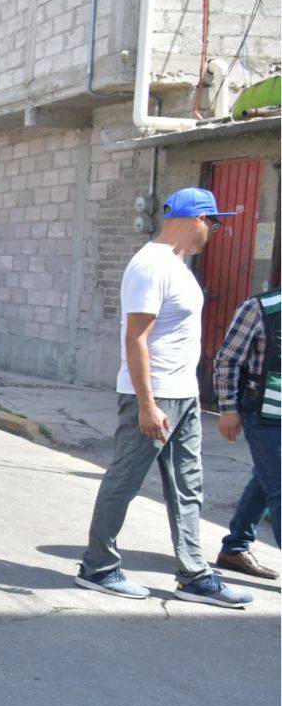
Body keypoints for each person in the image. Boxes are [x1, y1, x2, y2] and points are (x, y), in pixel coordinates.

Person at [75, 187, 252, 608]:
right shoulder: (151, 265)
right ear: (196, 219)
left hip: (184, 396)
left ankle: (194, 575)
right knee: (124, 481)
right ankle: (97, 567)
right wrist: (146, 404)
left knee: (188, 487)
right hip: (155, 397)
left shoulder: (178, 266)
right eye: (214, 221)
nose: (214, 229)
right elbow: (135, 337)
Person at [212, 283, 280, 579]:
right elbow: (227, 359)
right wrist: (228, 409)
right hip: (263, 415)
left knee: (265, 479)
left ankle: (235, 548)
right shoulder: (260, 308)